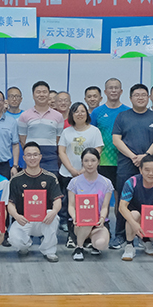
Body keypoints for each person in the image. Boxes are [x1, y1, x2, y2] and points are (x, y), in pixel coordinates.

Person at [112, 84, 153, 249]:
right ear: (130, 98)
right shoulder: (122, 116)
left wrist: (145, 157)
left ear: (148, 97)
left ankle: (146, 236)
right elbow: (116, 139)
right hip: (126, 164)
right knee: (123, 200)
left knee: (148, 200)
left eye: (143, 95)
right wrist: (133, 156)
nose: (140, 98)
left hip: (149, 166)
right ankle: (120, 235)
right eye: (136, 95)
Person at [3, 142, 63, 262]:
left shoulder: (50, 177)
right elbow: (10, 203)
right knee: (14, 239)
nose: (32, 158)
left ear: (40, 157)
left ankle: (49, 251)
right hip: (24, 220)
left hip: (44, 219)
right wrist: (16, 216)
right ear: (24, 158)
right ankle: (24, 246)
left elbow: (57, 200)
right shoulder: (16, 180)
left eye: (35, 155)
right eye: (29, 155)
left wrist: (54, 211)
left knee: (54, 217)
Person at [58, 102, 104, 244]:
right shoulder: (66, 131)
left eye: (82, 111)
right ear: (71, 115)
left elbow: (98, 150)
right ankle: (71, 236)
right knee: (69, 205)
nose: (79, 114)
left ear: (87, 114)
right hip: (68, 174)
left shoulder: (94, 131)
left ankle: (88, 236)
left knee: (87, 206)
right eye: (76, 111)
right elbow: (61, 151)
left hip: (88, 174)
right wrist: (72, 170)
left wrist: (84, 170)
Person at [118, 154, 153, 261]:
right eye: (147, 170)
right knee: (134, 214)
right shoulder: (132, 182)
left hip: (152, 219)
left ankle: (146, 241)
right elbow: (122, 207)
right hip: (135, 218)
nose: (151, 173)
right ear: (141, 170)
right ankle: (129, 245)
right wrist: (135, 225)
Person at [90, 78, 130, 210]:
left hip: (123, 161)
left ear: (121, 91)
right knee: (102, 199)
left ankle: (121, 224)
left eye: (116, 88)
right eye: (110, 88)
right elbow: (92, 135)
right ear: (105, 92)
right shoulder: (97, 112)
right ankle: (103, 222)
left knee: (122, 199)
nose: (113, 90)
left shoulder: (128, 112)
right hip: (103, 162)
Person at [67, 148, 113, 261]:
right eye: (86, 160)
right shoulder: (74, 182)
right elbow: (71, 206)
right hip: (79, 224)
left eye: (93, 160)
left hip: (98, 224)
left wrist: (102, 218)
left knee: (101, 244)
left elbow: (105, 207)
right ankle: (79, 247)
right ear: (82, 162)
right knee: (87, 218)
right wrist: (75, 217)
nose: (90, 164)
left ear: (98, 161)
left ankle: (93, 243)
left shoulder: (107, 183)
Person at [18, 81, 63, 173]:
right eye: (38, 92)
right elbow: (22, 140)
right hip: (31, 157)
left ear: (49, 94)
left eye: (44, 92)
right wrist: (32, 152)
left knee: (51, 180)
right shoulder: (24, 115)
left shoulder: (58, 116)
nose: (41, 95)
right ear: (33, 95)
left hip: (51, 158)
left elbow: (58, 139)